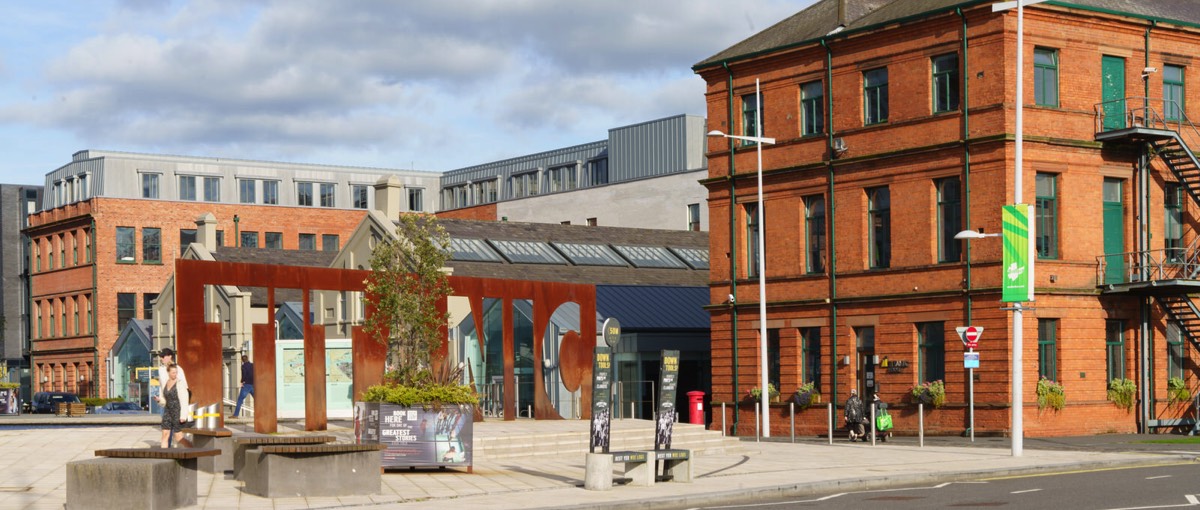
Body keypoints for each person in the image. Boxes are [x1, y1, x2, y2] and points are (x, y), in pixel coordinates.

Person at [158, 364, 192, 448]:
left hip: (177, 411)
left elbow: (184, 401)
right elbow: (164, 400)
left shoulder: (180, 383)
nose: (175, 374)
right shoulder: (165, 383)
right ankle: (164, 457)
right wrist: (159, 400)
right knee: (165, 435)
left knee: (178, 437)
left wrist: (183, 416)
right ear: (168, 372)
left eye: (176, 372)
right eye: (173, 372)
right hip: (167, 411)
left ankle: (193, 450)